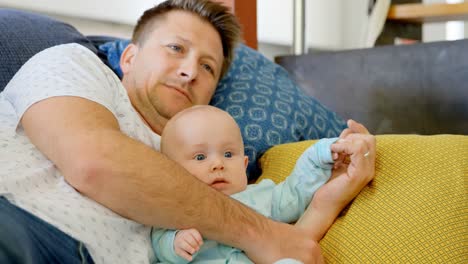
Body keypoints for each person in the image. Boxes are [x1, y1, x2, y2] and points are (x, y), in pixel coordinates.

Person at [0, 0, 376, 263]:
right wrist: (260, 234)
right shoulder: (76, 64)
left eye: (208, 67)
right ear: (129, 57)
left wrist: (335, 189)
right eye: (176, 48)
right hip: (21, 223)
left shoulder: (205, 163)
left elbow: (280, 237)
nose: (190, 71)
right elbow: (93, 163)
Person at [152, 105, 346, 263]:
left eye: (228, 154)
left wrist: (319, 155)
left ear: (244, 165)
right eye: (200, 157)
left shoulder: (261, 195)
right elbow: (159, 242)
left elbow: (295, 192)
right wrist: (175, 244)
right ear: (173, 172)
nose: (218, 164)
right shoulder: (176, 209)